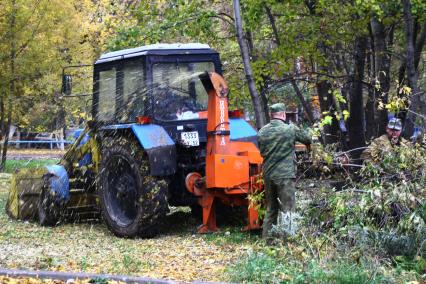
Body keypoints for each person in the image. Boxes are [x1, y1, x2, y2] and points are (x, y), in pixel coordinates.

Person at [257, 103, 312, 239]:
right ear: (283, 115)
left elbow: (262, 151)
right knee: (288, 210)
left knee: (271, 209)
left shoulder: (262, 132)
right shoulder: (290, 129)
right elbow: (307, 139)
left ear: (271, 115)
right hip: (285, 176)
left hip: (269, 175)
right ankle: (288, 242)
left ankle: (267, 241)